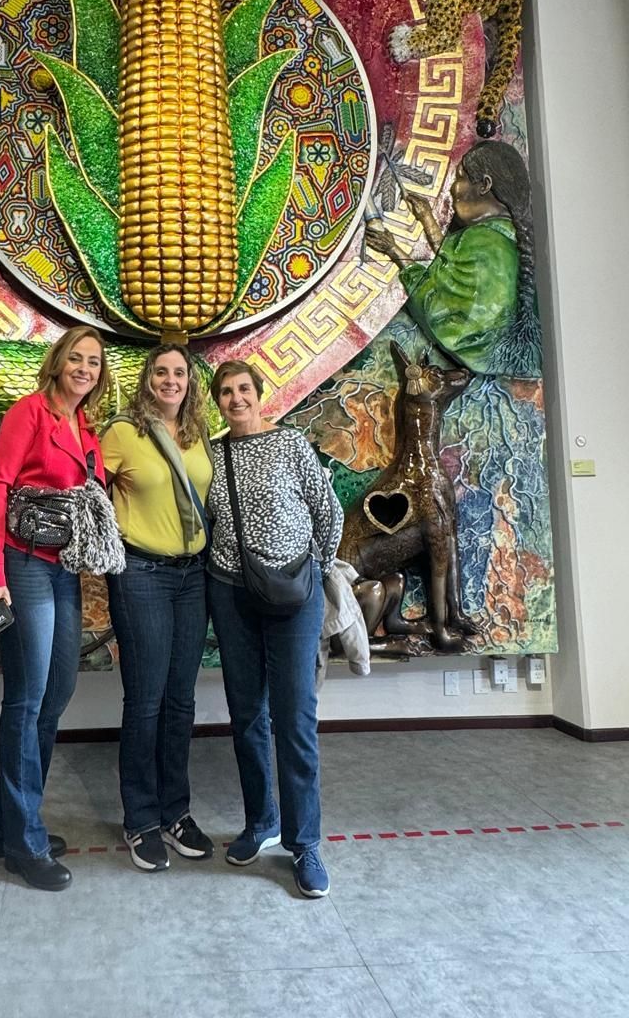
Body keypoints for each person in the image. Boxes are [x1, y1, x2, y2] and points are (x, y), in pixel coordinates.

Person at [0, 326, 109, 892]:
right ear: (57, 362)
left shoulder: (86, 428)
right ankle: (26, 841)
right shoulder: (28, 412)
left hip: (63, 567)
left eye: (93, 362)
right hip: (23, 563)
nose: (84, 368)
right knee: (26, 700)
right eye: (76, 357)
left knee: (58, 692)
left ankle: (6, 824)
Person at [206, 360, 343, 899]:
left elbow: (327, 511)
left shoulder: (290, 443)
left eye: (244, 388)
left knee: (295, 716)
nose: (236, 398)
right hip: (231, 591)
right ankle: (260, 820)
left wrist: (312, 568)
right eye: (226, 391)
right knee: (247, 715)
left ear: (259, 393)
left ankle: (304, 843)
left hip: (294, 593)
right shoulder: (213, 454)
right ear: (217, 401)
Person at [101, 345, 214, 872]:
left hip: (194, 577)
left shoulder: (197, 434)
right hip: (141, 573)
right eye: (161, 372)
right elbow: (89, 495)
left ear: (190, 382)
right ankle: (141, 818)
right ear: (147, 379)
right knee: (146, 700)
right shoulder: (124, 433)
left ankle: (176, 813)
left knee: (180, 701)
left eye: (180, 373)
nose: (171, 380)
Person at [366, 140, 540, 377]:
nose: (452, 189)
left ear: (484, 185)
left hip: (478, 358)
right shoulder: (498, 237)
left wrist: (393, 250)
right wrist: (427, 217)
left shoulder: (483, 241)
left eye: (459, 177)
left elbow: (443, 312)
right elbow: (451, 261)